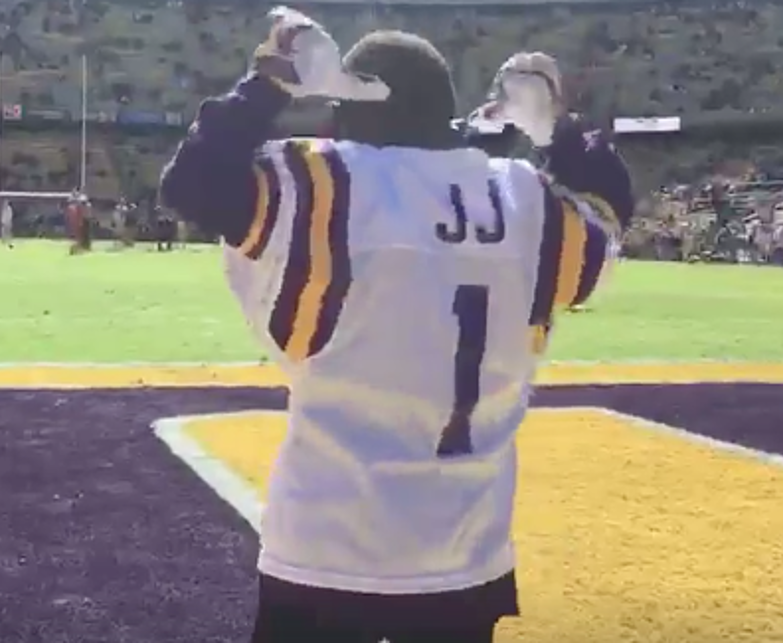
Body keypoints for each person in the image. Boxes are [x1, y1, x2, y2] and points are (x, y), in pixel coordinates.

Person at [160, 8, 632, 643]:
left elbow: (193, 181)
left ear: (353, 101)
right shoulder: (529, 200)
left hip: (328, 545)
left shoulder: (328, 181)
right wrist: (555, 129)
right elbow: (608, 212)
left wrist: (271, 79)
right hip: (466, 553)